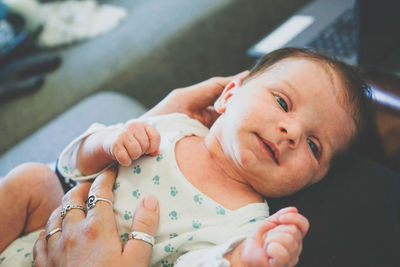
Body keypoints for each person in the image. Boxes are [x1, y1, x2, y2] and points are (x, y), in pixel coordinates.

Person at [0, 47, 371, 266]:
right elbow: (71, 169)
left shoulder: (247, 222)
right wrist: (107, 141)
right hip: (40, 235)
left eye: (314, 146)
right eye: (282, 101)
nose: (291, 132)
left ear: (315, 180)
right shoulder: (174, 124)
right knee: (32, 179)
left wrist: (243, 258)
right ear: (228, 95)